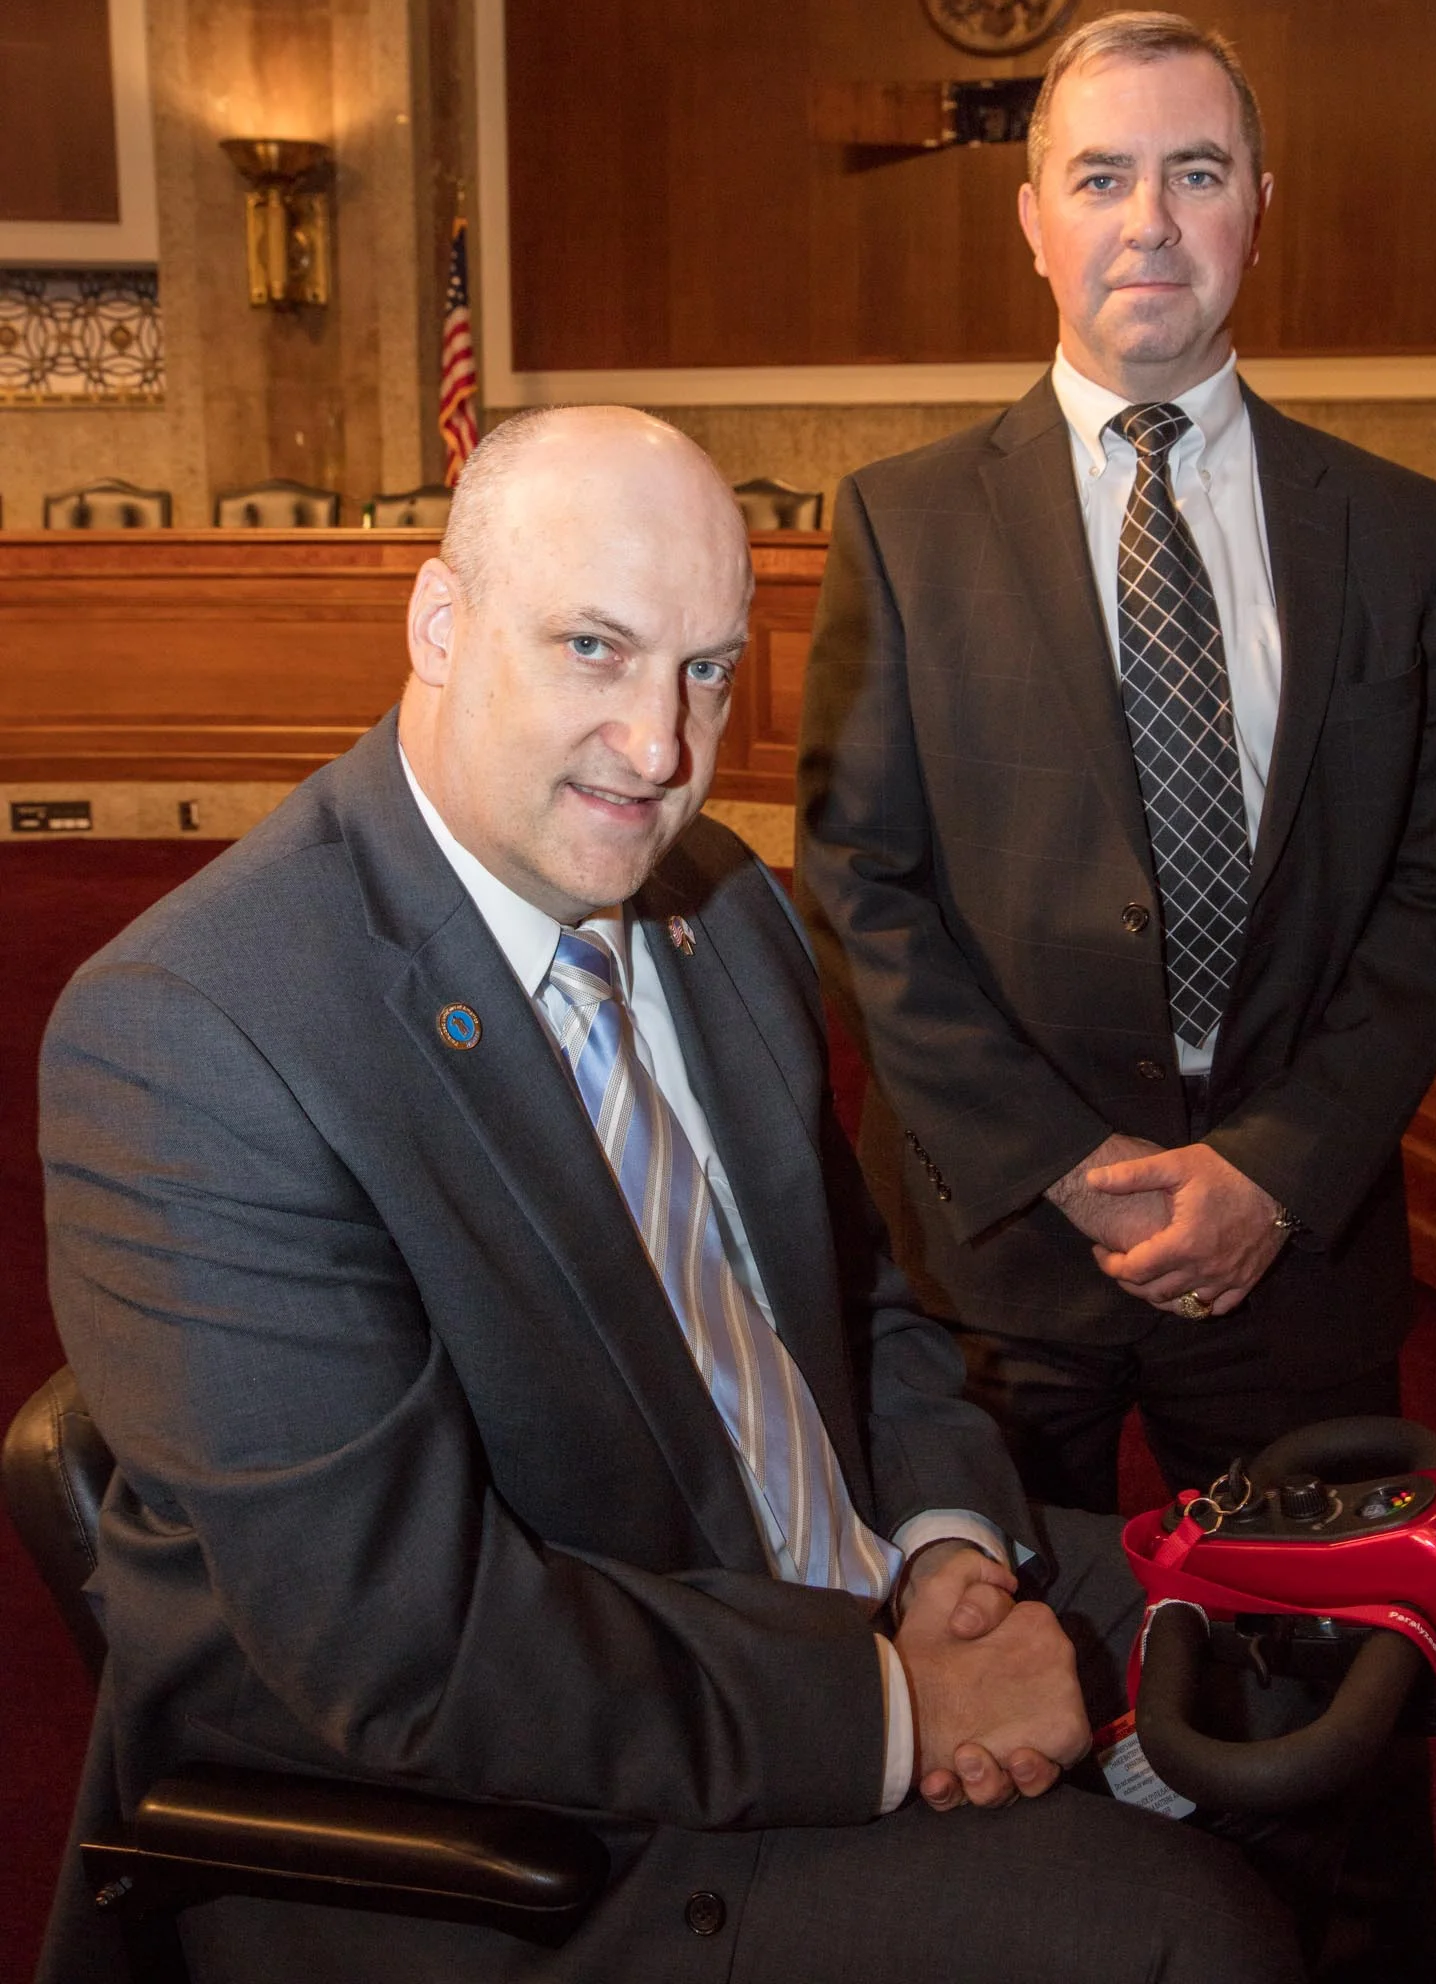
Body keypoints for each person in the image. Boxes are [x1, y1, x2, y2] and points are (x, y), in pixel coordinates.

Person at [39, 407, 1303, 1984]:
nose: (660, 748)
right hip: (525, 1813)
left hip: (819, 1568)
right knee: (1190, 1941)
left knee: (1299, 1661)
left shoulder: (719, 908)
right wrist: (901, 1704)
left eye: (706, 669)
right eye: (594, 648)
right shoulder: (194, 1032)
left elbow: (859, 1304)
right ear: (440, 624)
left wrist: (948, 1547)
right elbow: (402, 1647)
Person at [797, 9, 1436, 1520]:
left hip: (1295, 1253)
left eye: (1197, 171)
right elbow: (863, 887)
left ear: (1259, 203)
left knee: (1308, 1657)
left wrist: (1273, 1172)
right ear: (1032, 220)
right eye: (1103, 176)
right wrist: (1063, 1163)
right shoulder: (899, 526)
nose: (1152, 223)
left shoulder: (1401, 533)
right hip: (992, 1249)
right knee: (997, 1657)